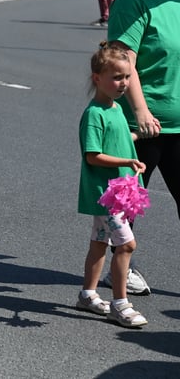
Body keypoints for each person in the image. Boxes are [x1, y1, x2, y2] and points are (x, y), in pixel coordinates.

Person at [108, 0, 180, 295]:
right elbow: (124, 63)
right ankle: (121, 264)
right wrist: (139, 111)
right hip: (143, 126)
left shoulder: (179, 2)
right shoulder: (131, 3)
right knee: (129, 201)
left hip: (179, 123)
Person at [76, 42, 148, 327]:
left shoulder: (116, 109)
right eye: (117, 77)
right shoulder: (94, 114)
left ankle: (87, 294)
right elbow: (93, 156)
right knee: (127, 245)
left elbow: (116, 139)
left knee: (99, 244)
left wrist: (134, 137)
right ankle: (120, 304)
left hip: (120, 194)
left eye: (127, 77)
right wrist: (128, 162)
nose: (123, 83)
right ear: (97, 78)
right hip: (105, 194)